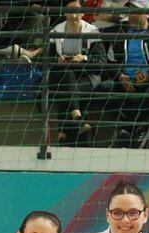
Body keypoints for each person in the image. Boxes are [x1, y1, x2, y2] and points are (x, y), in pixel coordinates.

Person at [100, 0, 149, 149]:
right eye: (130, 12)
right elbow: (110, 61)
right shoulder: (119, 33)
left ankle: (125, 130)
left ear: (147, 14)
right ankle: (138, 128)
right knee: (101, 89)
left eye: (136, 12)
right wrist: (120, 77)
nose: (132, 16)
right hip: (124, 80)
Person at [47, 2, 106, 146]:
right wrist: (57, 59)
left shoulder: (92, 31)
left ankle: (64, 133)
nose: (74, 15)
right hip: (61, 75)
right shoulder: (56, 31)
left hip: (87, 76)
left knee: (66, 90)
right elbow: (46, 59)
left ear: (83, 12)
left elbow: (101, 61)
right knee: (67, 75)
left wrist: (85, 58)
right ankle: (78, 117)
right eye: (70, 12)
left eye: (77, 12)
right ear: (64, 13)